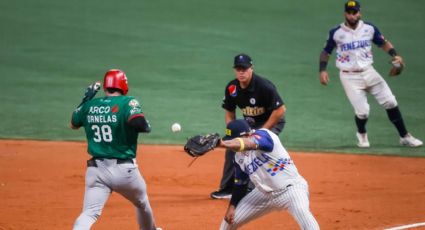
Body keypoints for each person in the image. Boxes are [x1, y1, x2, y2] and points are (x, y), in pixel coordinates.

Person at [318, 0, 423, 148]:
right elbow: (326, 52)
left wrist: (395, 55)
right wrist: (322, 70)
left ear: (359, 12)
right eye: (349, 12)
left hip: (369, 72)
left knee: (391, 102)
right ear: (345, 14)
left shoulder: (369, 28)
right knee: (363, 112)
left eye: (355, 12)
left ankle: (404, 136)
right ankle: (361, 134)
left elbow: (383, 43)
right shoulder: (336, 32)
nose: (352, 16)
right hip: (349, 76)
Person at [70, 69, 162, 230]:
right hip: (125, 172)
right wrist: (146, 125)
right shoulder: (127, 102)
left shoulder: (90, 105)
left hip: (96, 171)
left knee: (89, 213)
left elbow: (73, 123)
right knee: (141, 202)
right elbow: (140, 125)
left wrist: (86, 99)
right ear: (124, 86)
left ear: (105, 87)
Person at [217, 119, 320, 230]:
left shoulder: (265, 135)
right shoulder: (238, 157)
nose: (231, 146)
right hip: (263, 194)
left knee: (304, 216)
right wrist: (232, 207)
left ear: (246, 135)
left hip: (291, 190)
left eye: (233, 141)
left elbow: (250, 143)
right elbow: (240, 184)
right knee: (229, 222)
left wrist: (222, 144)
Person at [211, 53, 286, 199]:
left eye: (244, 69)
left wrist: (262, 131)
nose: (241, 72)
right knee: (231, 147)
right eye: (238, 69)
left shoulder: (264, 86)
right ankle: (228, 188)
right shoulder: (232, 88)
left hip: (272, 121)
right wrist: (232, 133)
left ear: (251, 68)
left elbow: (280, 110)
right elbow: (229, 111)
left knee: (253, 149)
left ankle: (251, 189)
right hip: (250, 125)